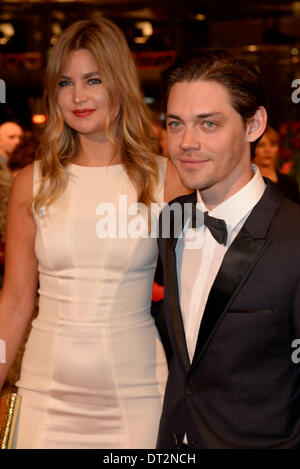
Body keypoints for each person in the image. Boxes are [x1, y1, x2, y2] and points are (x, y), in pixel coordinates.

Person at [0, 19, 188, 449]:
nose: (78, 96)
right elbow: (13, 303)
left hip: (137, 394)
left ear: (120, 82)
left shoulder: (167, 180)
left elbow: (196, 298)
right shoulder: (32, 183)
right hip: (43, 396)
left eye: (94, 79)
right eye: (66, 82)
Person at [156, 49, 300, 449]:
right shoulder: (171, 220)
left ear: (254, 124)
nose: (186, 142)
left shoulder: (295, 239)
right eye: (175, 124)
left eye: (209, 124)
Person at [253, 125, 300, 203]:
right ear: (253, 149)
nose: (267, 150)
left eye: (273, 145)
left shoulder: (290, 184)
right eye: (261, 145)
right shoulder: (246, 183)